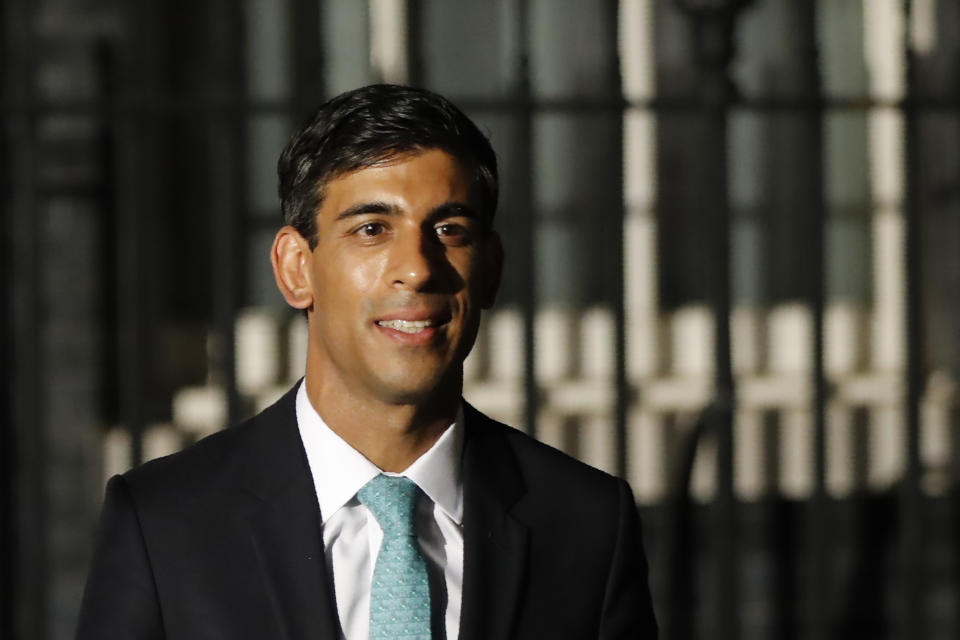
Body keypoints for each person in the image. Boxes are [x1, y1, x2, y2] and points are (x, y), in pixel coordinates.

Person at [77, 84, 657, 639]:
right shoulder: (166, 523)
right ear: (295, 268)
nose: (418, 267)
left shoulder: (585, 525)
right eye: (373, 229)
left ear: (492, 269)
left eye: (450, 229)